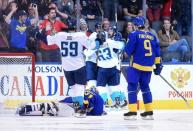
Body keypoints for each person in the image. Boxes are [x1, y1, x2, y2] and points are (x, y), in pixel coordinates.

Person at [47, 21, 97, 108]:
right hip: (79, 66)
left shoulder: (60, 35)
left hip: (67, 67)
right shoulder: (80, 35)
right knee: (80, 88)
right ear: (75, 29)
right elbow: (91, 46)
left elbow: (49, 41)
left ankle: (76, 106)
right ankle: (80, 108)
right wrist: (92, 38)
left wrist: (50, 32)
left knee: (73, 88)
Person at [124, 16, 163, 120]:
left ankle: (132, 112)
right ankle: (149, 112)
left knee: (132, 87)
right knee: (145, 87)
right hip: (148, 68)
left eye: (133, 25)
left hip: (136, 66)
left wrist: (124, 48)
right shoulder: (152, 36)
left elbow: (127, 52)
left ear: (136, 25)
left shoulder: (134, 34)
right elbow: (157, 53)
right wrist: (158, 65)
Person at [95, 31, 125, 107]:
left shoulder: (96, 44)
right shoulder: (110, 41)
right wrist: (119, 40)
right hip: (113, 67)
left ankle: (104, 103)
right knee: (113, 86)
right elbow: (122, 46)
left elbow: (88, 51)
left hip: (102, 69)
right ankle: (117, 101)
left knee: (100, 87)